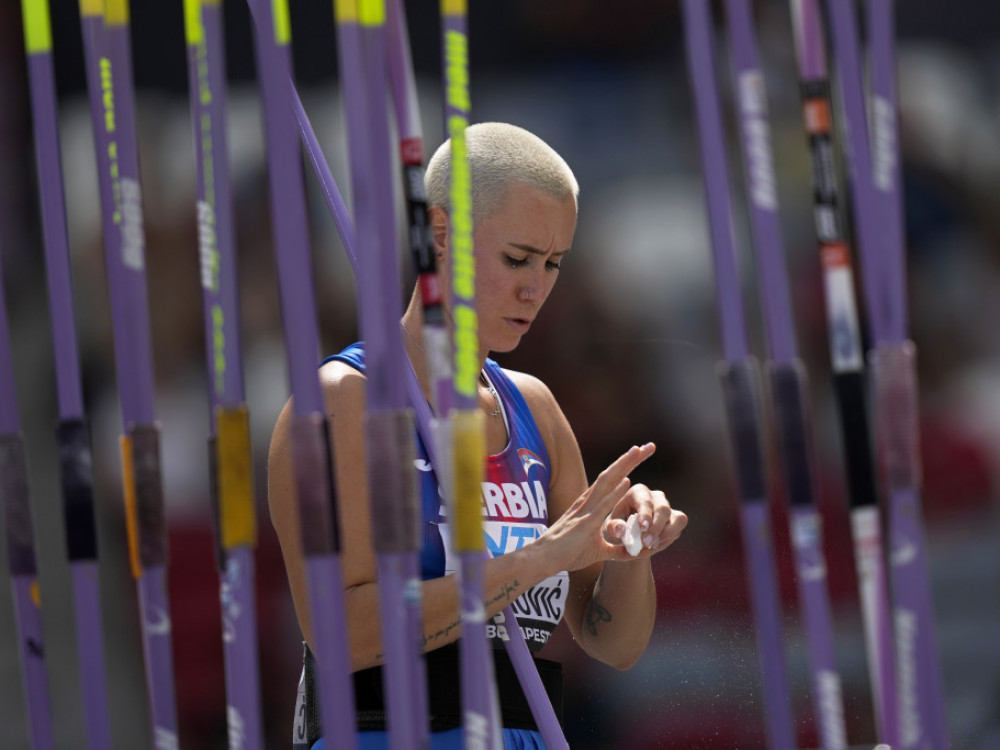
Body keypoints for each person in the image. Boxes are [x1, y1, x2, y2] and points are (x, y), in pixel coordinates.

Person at [268, 122, 688, 749]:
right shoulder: (346, 401)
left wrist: (632, 554)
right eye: (516, 258)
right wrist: (537, 559)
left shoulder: (535, 410)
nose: (534, 288)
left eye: (552, 264)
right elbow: (344, 634)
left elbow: (613, 643)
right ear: (440, 236)